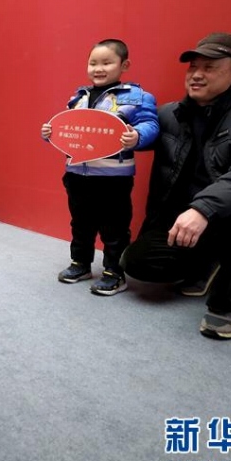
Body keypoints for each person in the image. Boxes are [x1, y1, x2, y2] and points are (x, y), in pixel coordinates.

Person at [120, 32, 231, 340]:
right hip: (182, 221)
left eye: (210, 67)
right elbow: (137, 134)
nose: (197, 75)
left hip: (228, 220)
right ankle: (204, 261)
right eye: (193, 67)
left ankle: (224, 305)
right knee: (138, 265)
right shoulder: (169, 114)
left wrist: (203, 208)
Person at [42, 39, 159, 296]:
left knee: (114, 226)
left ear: (124, 64)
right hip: (77, 174)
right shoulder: (79, 96)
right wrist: (50, 132)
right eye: (93, 63)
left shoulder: (138, 97)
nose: (98, 68)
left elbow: (151, 125)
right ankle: (80, 264)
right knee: (80, 222)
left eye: (107, 62)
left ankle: (114, 272)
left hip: (113, 177)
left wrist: (137, 136)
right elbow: (66, 128)